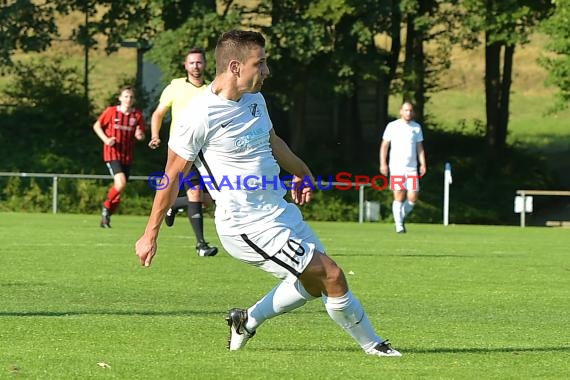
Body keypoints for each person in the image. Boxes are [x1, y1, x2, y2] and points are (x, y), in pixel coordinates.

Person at [135, 30, 402, 357]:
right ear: (235, 67)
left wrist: (301, 172)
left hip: (280, 211)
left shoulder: (255, 100)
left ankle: (246, 321)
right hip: (247, 225)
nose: (266, 71)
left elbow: (273, 141)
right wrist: (150, 234)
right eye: (259, 64)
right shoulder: (198, 115)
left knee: (313, 285)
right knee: (331, 275)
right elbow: (172, 176)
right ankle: (375, 347)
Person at [148, 47, 218, 257]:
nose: (196, 66)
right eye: (192, 62)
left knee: (209, 200)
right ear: (185, 65)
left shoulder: (211, 90)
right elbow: (158, 113)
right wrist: (155, 135)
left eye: (199, 62)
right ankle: (201, 245)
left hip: (206, 152)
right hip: (182, 150)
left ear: (205, 64)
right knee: (195, 193)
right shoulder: (176, 87)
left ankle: (174, 205)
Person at [93, 85, 146, 228]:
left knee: (119, 189)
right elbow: (97, 126)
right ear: (120, 98)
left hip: (127, 156)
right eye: (126, 96)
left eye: (131, 97)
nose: (128, 99)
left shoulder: (137, 116)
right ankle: (106, 207)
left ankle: (107, 215)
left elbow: (140, 133)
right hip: (112, 154)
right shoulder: (111, 112)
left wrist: (140, 135)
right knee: (121, 183)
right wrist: (106, 139)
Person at [379, 101, 427, 233]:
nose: (408, 113)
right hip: (396, 167)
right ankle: (399, 225)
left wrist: (423, 163)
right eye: (406, 110)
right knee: (399, 195)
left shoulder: (416, 127)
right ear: (401, 111)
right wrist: (383, 163)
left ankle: (400, 217)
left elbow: (419, 148)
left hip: (412, 168)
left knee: (413, 197)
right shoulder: (392, 126)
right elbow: (384, 146)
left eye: (410, 110)